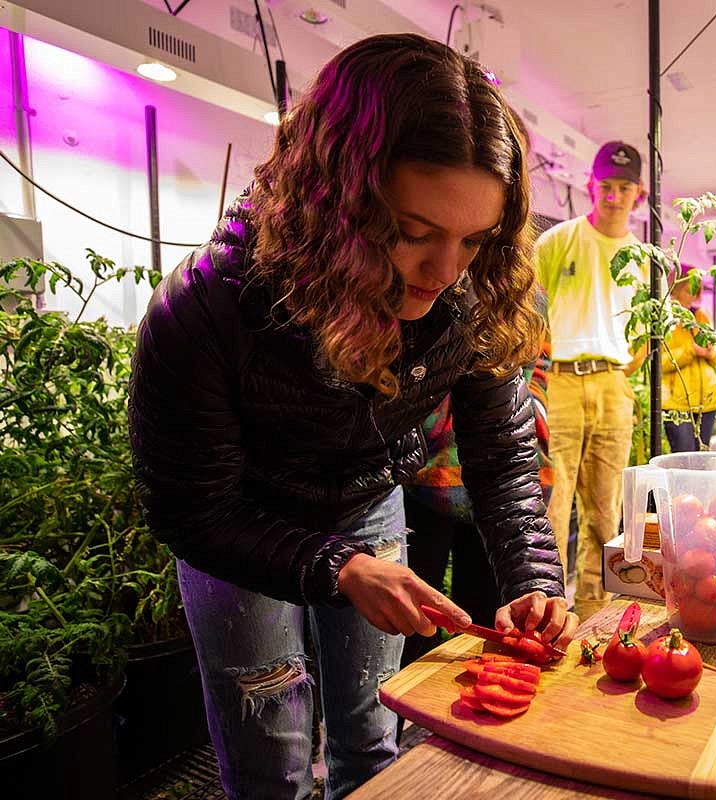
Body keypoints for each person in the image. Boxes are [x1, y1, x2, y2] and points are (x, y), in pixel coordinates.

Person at [128, 33, 578, 800]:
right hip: (242, 530)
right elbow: (190, 509)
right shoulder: (202, 309)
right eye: (412, 234)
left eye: (472, 241)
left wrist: (535, 577)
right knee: (271, 758)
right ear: (334, 201)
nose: (445, 274)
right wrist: (336, 565)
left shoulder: (469, 292)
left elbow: (501, 454)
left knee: (372, 742)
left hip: (369, 505)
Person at [534, 140, 648, 622]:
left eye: (624, 188)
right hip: (558, 380)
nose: (614, 196)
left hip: (612, 385)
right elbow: (527, 306)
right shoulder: (558, 242)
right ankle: (547, 611)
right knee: (552, 506)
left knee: (604, 513)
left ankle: (595, 619)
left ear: (638, 194)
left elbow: (648, 330)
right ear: (591, 187)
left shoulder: (643, 258)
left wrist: (623, 371)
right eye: (606, 186)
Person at [399, 335, 555, 668]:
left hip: (502, 481)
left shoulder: (520, 294)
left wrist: (526, 412)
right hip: (423, 478)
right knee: (412, 628)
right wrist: (432, 426)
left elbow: (537, 359)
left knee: (490, 626)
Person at [662, 265, 716, 451]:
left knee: (702, 459)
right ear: (676, 289)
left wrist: (710, 353)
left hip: (707, 400)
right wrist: (691, 351)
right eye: (689, 291)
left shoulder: (701, 316)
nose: (693, 297)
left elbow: (715, 358)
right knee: (683, 458)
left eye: (696, 292)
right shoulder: (666, 318)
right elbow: (661, 362)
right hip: (677, 403)